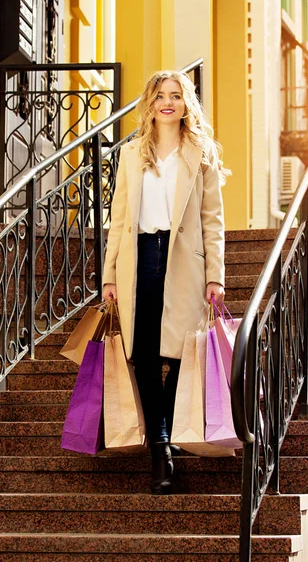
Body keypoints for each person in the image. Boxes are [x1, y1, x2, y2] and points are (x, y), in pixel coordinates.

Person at [102, 70, 228, 495]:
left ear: (186, 103)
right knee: (141, 354)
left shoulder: (202, 153)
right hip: (138, 261)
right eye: (160, 95)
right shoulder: (133, 154)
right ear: (150, 103)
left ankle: (167, 438)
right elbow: (118, 220)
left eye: (176, 95)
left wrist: (216, 275)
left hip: (184, 265)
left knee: (175, 357)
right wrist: (109, 276)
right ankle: (161, 450)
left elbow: (213, 221)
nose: (168, 102)